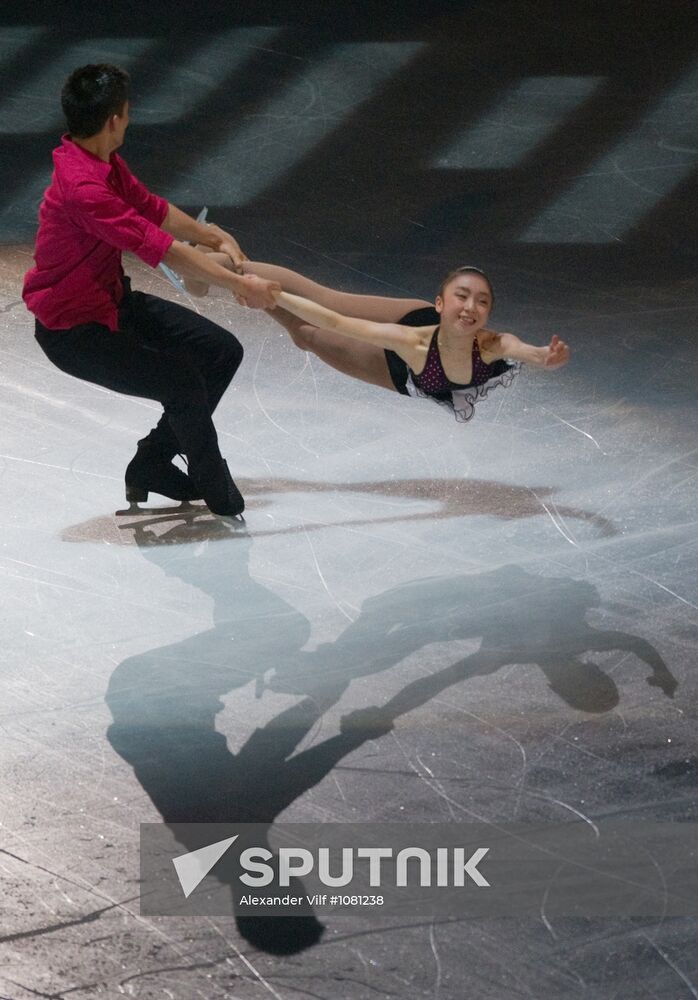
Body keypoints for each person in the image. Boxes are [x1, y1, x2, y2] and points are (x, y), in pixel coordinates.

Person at [22, 64, 280, 515]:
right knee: (182, 384)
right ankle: (212, 484)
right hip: (73, 332)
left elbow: (152, 209)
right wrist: (239, 285)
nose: (130, 117)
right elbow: (164, 250)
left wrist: (212, 235)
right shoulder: (84, 188)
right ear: (114, 121)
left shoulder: (99, 160)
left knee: (221, 352)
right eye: (127, 111)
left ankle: (151, 463)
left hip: (112, 303)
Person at [186, 260, 570, 422]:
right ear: (439, 304)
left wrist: (543, 356)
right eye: (462, 296)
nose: (471, 307)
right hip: (410, 351)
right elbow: (337, 319)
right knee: (323, 306)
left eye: (482, 301)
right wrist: (271, 293)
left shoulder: (491, 345)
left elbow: (524, 350)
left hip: (404, 372)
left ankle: (242, 280)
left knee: (307, 337)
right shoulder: (412, 340)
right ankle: (227, 268)